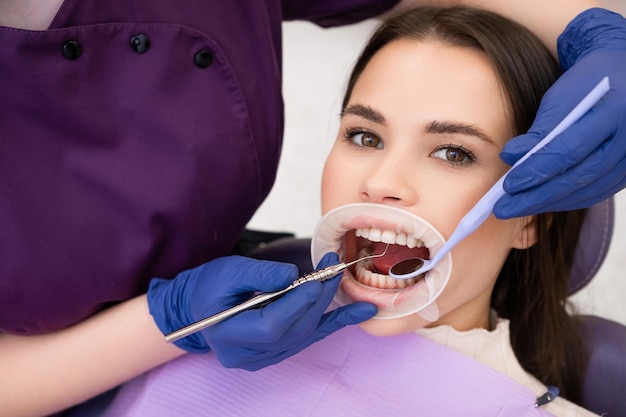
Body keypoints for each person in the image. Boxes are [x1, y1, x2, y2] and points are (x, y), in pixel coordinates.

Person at [0, 1, 624, 416]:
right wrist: (165, 325)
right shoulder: (173, 353)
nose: (381, 181)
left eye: (454, 153)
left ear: (531, 217)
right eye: (364, 136)